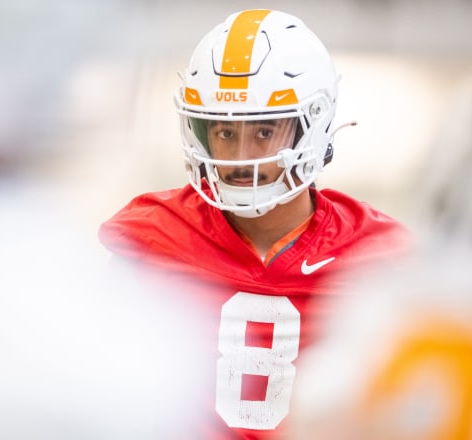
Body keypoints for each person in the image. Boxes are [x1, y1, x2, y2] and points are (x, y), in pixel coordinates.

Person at [98, 9, 410, 439]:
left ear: (312, 127)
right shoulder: (152, 238)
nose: (242, 156)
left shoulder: (379, 258)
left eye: (264, 131)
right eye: (225, 133)